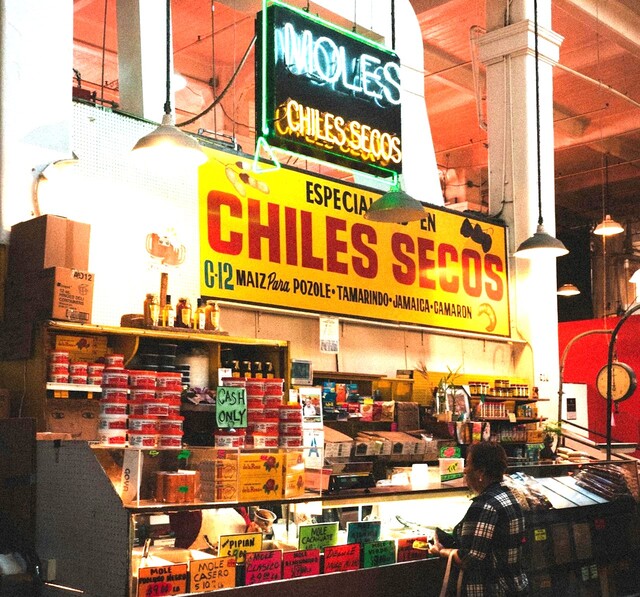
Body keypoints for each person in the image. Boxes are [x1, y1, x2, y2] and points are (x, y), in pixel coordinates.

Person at [430, 441, 529, 596]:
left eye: (468, 464)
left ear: (481, 472)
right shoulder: (509, 497)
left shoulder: (484, 506)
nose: (464, 470)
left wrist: (441, 551)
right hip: (513, 586)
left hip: (490, 590)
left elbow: (469, 559)